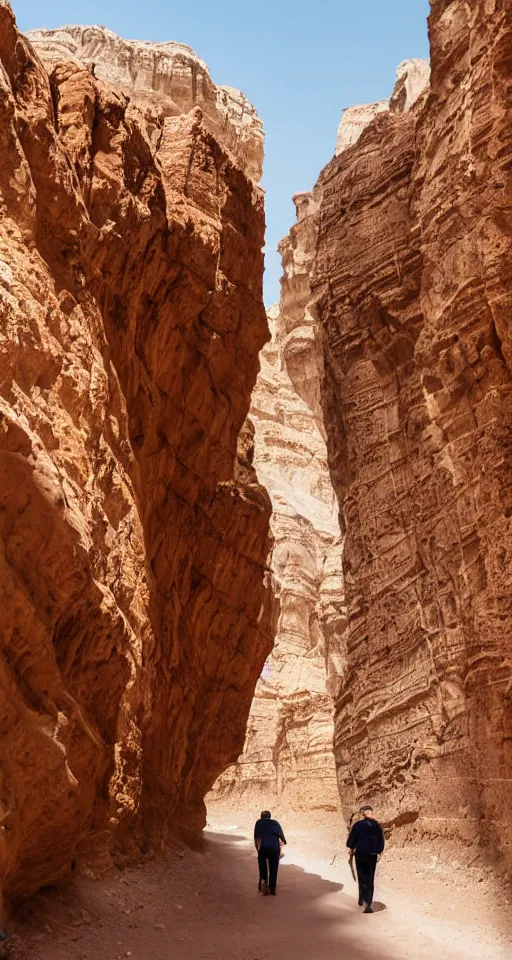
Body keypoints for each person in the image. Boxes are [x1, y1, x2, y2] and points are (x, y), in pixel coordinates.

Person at [346, 804, 385, 913]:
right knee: (370, 878)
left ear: (363, 814)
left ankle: (361, 899)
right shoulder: (377, 826)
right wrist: (379, 851)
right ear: (370, 813)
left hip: (360, 854)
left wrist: (351, 848)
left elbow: (352, 840)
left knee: (361, 876)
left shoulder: (358, 825)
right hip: (372, 855)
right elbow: (381, 841)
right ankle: (368, 904)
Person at [254, 810, 287, 896]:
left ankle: (263, 882)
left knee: (262, 866)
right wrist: (284, 841)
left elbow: (256, 838)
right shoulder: (275, 823)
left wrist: (258, 851)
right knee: (274, 867)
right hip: (274, 848)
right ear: (270, 816)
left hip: (263, 847)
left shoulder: (258, 823)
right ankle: (272, 888)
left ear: (261, 817)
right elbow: (281, 834)